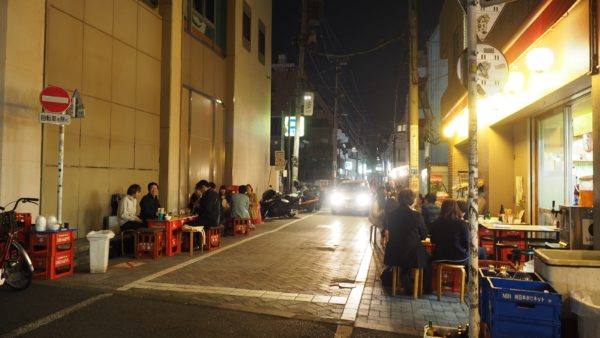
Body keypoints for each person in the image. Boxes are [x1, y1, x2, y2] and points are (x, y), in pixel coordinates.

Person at [383, 189, 431, 294]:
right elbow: (423, 235)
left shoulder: (391, 215)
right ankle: (423, 289)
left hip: (393, 253)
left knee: (407, 252)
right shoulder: (417, 216)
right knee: (428, 258)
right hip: (411, 255)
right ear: (412, 201)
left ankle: (405, 281)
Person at [429, 199, 469, 266]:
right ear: (456, 209)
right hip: (458, 258)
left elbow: (433, 241)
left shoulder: (435, 223)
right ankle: (478, 275)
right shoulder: (461, 223)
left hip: (439, 257)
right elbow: (466, 243)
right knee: (478, 254)